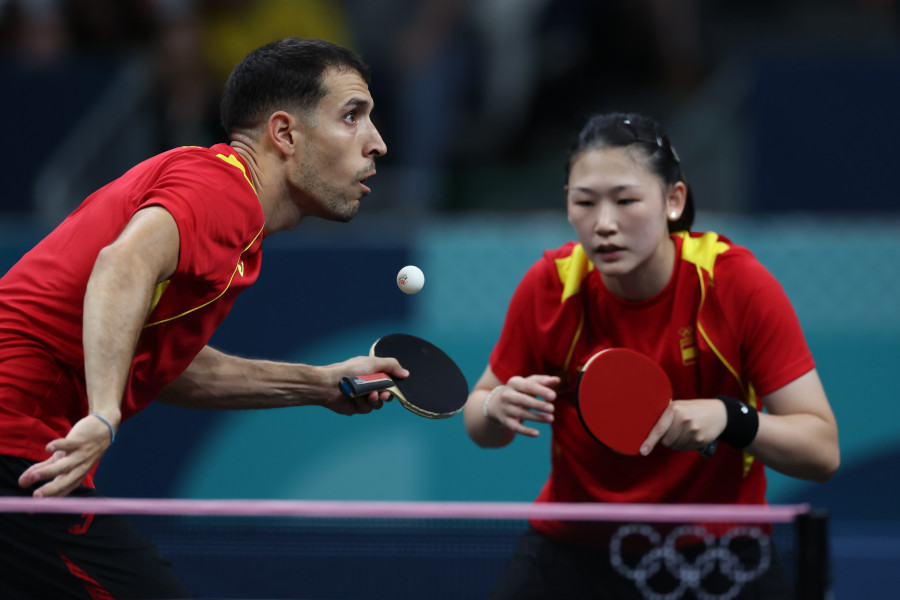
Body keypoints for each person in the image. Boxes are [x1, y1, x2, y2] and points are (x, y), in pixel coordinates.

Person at [0, 37, 404, 599]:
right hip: (14, 439)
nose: (377, 143)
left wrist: (318, 383)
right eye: (352, 116)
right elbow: (121, 264)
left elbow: (169, 365)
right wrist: (104, 413)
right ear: (284, 134)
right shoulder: (222, 188)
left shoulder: (226, 208)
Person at [463, 112, 840, 599]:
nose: (604, 224)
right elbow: (480, 423)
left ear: (673, 201)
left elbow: (822, 451)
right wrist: (496, 408)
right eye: (584, 202)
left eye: (626, 201)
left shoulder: (735, 286)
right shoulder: (550, 287)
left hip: (721, 553)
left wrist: (731, 418)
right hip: (576, 551)